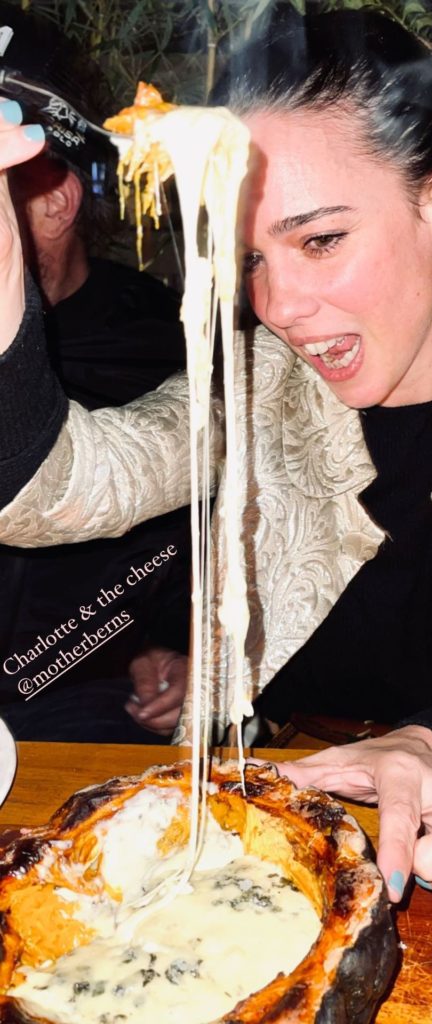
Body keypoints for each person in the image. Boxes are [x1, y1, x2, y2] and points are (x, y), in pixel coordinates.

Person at [0, 8, 432, 912]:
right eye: (251, 259)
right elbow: (62, 487)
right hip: (256, 842)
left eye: (320, 239)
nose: (279, 306)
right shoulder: (255, 383)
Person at [0, 1, 191, 740]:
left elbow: (208, 545)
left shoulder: (168, 349)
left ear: (55, 202)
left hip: (78, 718)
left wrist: (170, 647)